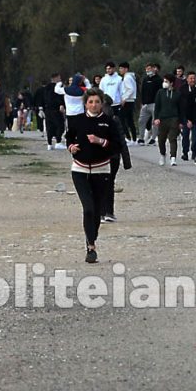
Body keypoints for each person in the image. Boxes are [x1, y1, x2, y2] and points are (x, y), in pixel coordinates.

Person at [66, 88, 121, 263]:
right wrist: (71, 147)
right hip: (80, 170)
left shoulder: (109, 122)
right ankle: (91, 247)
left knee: (97, 210)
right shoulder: (77, 121)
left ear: (102, 103)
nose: (94, 105)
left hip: (102, 170)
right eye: (91, 102)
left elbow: (117, 146)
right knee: (88, 208)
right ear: (85, 103)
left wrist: (100, 141)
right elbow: (69, 138)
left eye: (97, 102)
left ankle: (91, 237)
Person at [100, 93, 132, 223]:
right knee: (109, 183)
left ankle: (103, 212)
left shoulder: (106, 119)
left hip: (106, 156)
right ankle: (108, 212)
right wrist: (126, 160)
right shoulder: (115, 118)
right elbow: (122, 141)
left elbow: (121, 140)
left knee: (101, 184)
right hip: (113, 157)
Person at [154, 74, 184, 166]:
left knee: (172, 138)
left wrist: (181, 122)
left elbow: (181, 109)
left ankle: (173, 158)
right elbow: (157, 107)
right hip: (162, 119)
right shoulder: (160, 92)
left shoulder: (178, 94)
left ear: (171, 83)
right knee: (161, 139)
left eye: (166, 81)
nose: (164, 83)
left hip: (174, 119)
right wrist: (156, 118)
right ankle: (162, 155)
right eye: (164, 81)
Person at [138, 63, 161, 144]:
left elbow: (160, 92)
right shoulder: (145, 79)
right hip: (145, 104)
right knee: (141, 121)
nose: (148, 70)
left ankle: (154, 138)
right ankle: (141, 138)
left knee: (154, 122)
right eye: (146, 69)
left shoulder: (158, 79)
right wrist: (142, 102)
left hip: (154, 104)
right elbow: (142, 91)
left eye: (149, 68)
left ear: (154, 69)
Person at [43, 73, 66, 149]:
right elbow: (59, 97)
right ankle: (58, 142)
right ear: (55, 78)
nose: (60, 79)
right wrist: (62, 104)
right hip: (56, 109)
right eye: (59, 78)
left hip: (47, 109)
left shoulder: (46, 87)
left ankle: (49, 144)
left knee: (49, 126)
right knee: (60, 125)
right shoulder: (57, 87)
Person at [178, 71, 196, 160]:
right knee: (185, 135)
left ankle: (194, 152)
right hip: (185, 116)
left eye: (194, 78)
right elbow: (179, 104)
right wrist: (181, 119)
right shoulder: (182, 89)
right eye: (191, 78)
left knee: (195, 136)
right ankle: (185, 152)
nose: (192, 80)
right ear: (187, 79)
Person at [118, 62, 138, 142]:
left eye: (121, 68)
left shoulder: (127, 78)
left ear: (126, 69)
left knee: (122, 119)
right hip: (130, 101)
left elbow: (130, 89)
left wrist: (124, 99)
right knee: (130, 120)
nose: (120, 70)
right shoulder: (129, 77)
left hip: (128, 101)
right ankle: (134, 139)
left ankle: (129, 138)